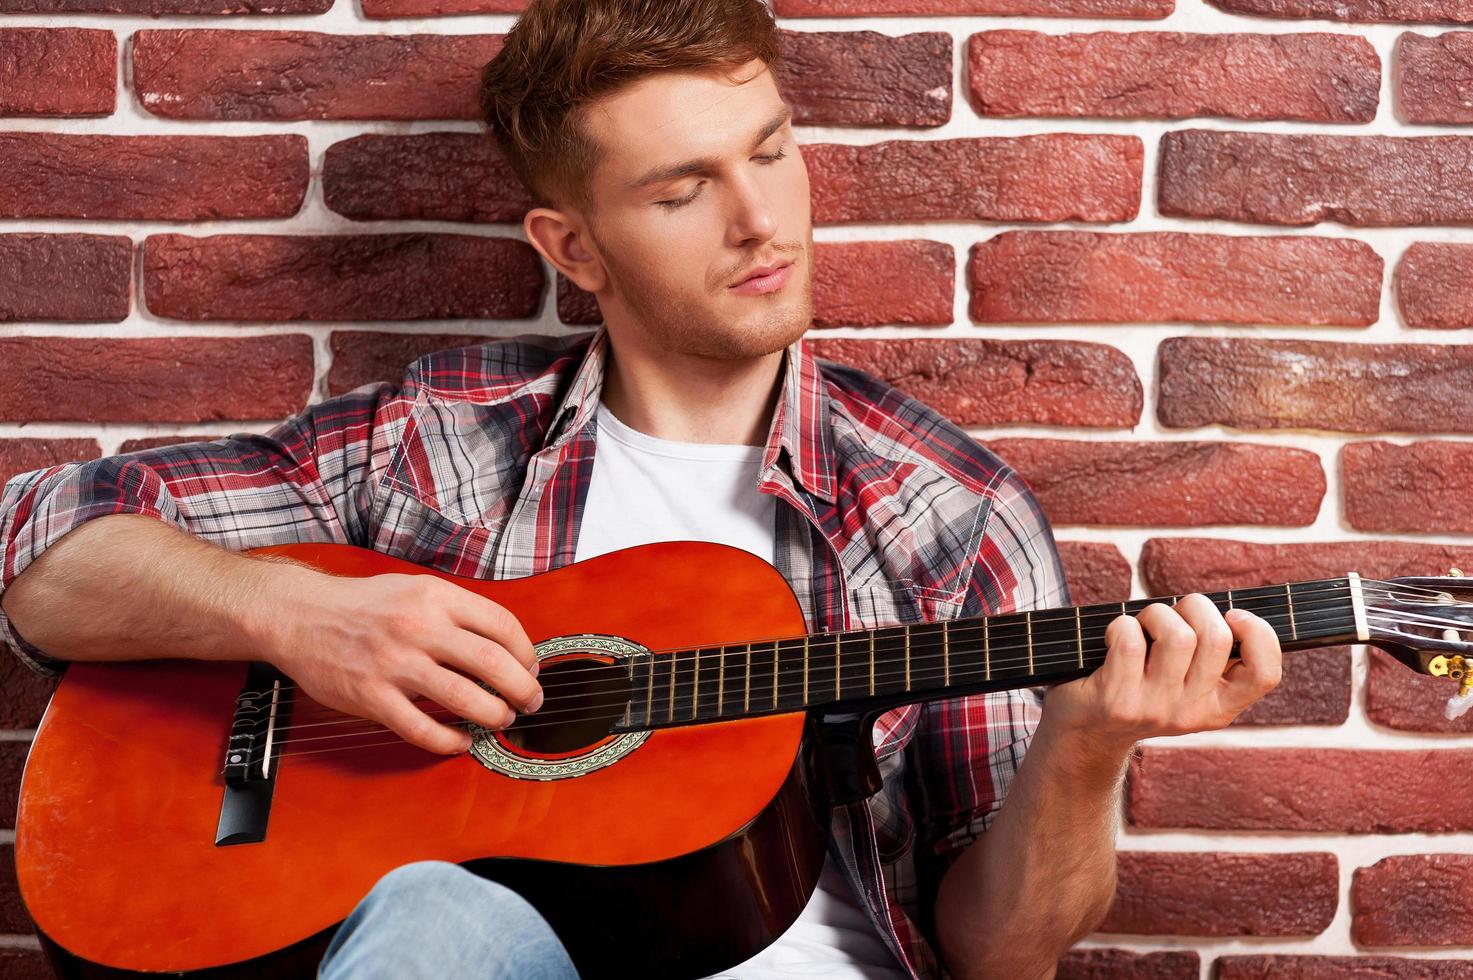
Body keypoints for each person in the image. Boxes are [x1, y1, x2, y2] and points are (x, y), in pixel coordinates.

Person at [0, 1, 1283, 977]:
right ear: (573, 248)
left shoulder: (944, 510)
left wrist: (1089, 742)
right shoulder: (432, 440)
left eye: (771, 153)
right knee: (440, 912)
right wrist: (296, 618)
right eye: (682, 189)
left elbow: (1003, 958)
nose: (760, 221)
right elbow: (42, 547)